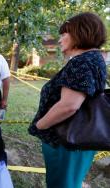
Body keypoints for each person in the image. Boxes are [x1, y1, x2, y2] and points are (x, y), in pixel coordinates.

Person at [28, 12, 107, 188]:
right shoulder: (94, 59)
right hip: (78, 139)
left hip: (66, 141)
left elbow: (69, 106)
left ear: (80, 33)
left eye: (64, 34)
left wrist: (40, 125)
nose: (60, 39)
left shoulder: (82, 62)